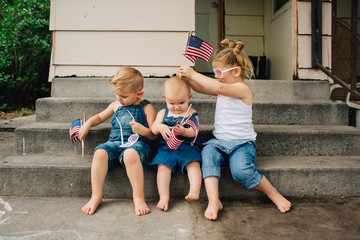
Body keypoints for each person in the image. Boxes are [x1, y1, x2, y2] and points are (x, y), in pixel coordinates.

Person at [178, 39, 291, 220]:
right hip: (219, 141)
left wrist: (194, 73)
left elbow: (218, 86)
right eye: (215, 72)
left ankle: (273, 193)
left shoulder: (241, 89)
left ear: (236, 71)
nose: (216, 76)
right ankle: (214, 200)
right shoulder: (223, 88)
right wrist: (188, 79)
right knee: (207, 154)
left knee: (241, 170)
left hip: (241, 143)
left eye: (219, 72)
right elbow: (203, 88)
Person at [79, 66, 157, 216]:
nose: (119, 99)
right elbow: (100, 117)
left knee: (130, 155)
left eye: (124, 96)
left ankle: (139, 197)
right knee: (100, 152)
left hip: (137, 144)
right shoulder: (116, 106)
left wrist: (144, 130)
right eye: (117, 94)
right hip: (115, 143)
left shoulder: (146, 108)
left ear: (138, 93)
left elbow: (153, 135)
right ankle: (96, 196)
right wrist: (87, 124)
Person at [149, 76, 202, 211]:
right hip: (167, 148)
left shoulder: (191, 112)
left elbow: (194, 131)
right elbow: (153, 129)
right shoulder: (162, 113)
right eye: (172, 103)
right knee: (163, 168)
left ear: (189, 98)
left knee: (194, 164)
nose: (177, 107)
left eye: (181, 102)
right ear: (164, 98)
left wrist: (184, 131)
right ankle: (164, 196)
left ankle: (194, 190)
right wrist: (160, 127)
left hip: (187, 147)